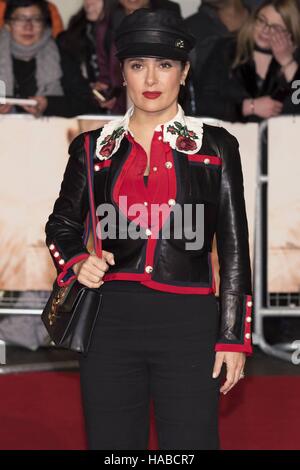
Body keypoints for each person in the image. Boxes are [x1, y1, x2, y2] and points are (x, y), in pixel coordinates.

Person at [45, 8, 253, 450]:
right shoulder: (92, 146)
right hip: (107, 322)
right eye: (138, 65)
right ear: (123, 73)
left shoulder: (216, 146)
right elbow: (61, 224)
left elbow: (234, 248)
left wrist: (233, 336)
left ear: (184, 72)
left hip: (190, 322)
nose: (151, 78)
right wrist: (78, 262)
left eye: (165, 65)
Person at [195, 0, 300, 122]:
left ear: (289, 34)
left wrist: (288, 62)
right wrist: (248, 107)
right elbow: (202, 104)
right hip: (231, 136)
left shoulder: (295, 59)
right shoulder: (226, 49)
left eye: (276, 28)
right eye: (262, 21)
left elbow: (296, 110)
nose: (265, 30)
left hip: (283, 138)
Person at [0, 0, 105, 117]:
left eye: (36, 19)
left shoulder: (62, 56)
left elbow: (87, 103)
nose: (28, 26)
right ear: (8, 25)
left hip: (51, 132)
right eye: (20, 19)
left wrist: (49, 104)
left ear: (45, 25)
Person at [57, 0, 125, 114]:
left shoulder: (125, 30)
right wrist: (88, 87)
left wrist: (116, 93)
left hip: (124, 110)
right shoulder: (73, 34)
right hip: (86, 109)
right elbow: (69, 77)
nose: (89, 2)